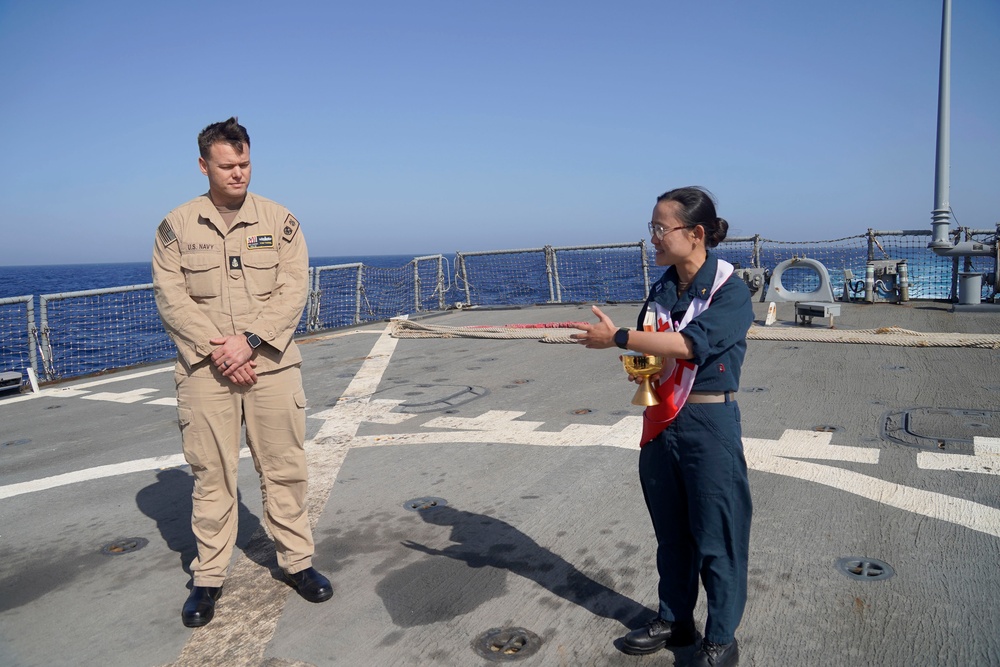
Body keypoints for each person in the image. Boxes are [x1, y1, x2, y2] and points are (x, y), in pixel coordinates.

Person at [152, 117, 332, 628]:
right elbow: (172, 297)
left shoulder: (281, 221)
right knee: (212, 475)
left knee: (285, 468)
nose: (238, 174)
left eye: (245, 163)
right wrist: (224, 350)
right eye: (227, 165)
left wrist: (248, 341)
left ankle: (297, 563)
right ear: (203, 165)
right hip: (206, 370)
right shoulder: (176, 227)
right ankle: (208, 576)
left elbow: (293, 289)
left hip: (272, 365)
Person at [572, 186, 753, 667]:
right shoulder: (664, 286)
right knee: (671, 532)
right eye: (651, 228)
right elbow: (655, 345)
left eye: (659, 228)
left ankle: (720, 638)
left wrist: (618, 338)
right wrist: (637, 358)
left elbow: (693, 344)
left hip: (707, 421)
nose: (652, 238)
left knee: (718, 536)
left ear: (695, 234)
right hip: (660, 420)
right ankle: (675, 620)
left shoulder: (730, 291)